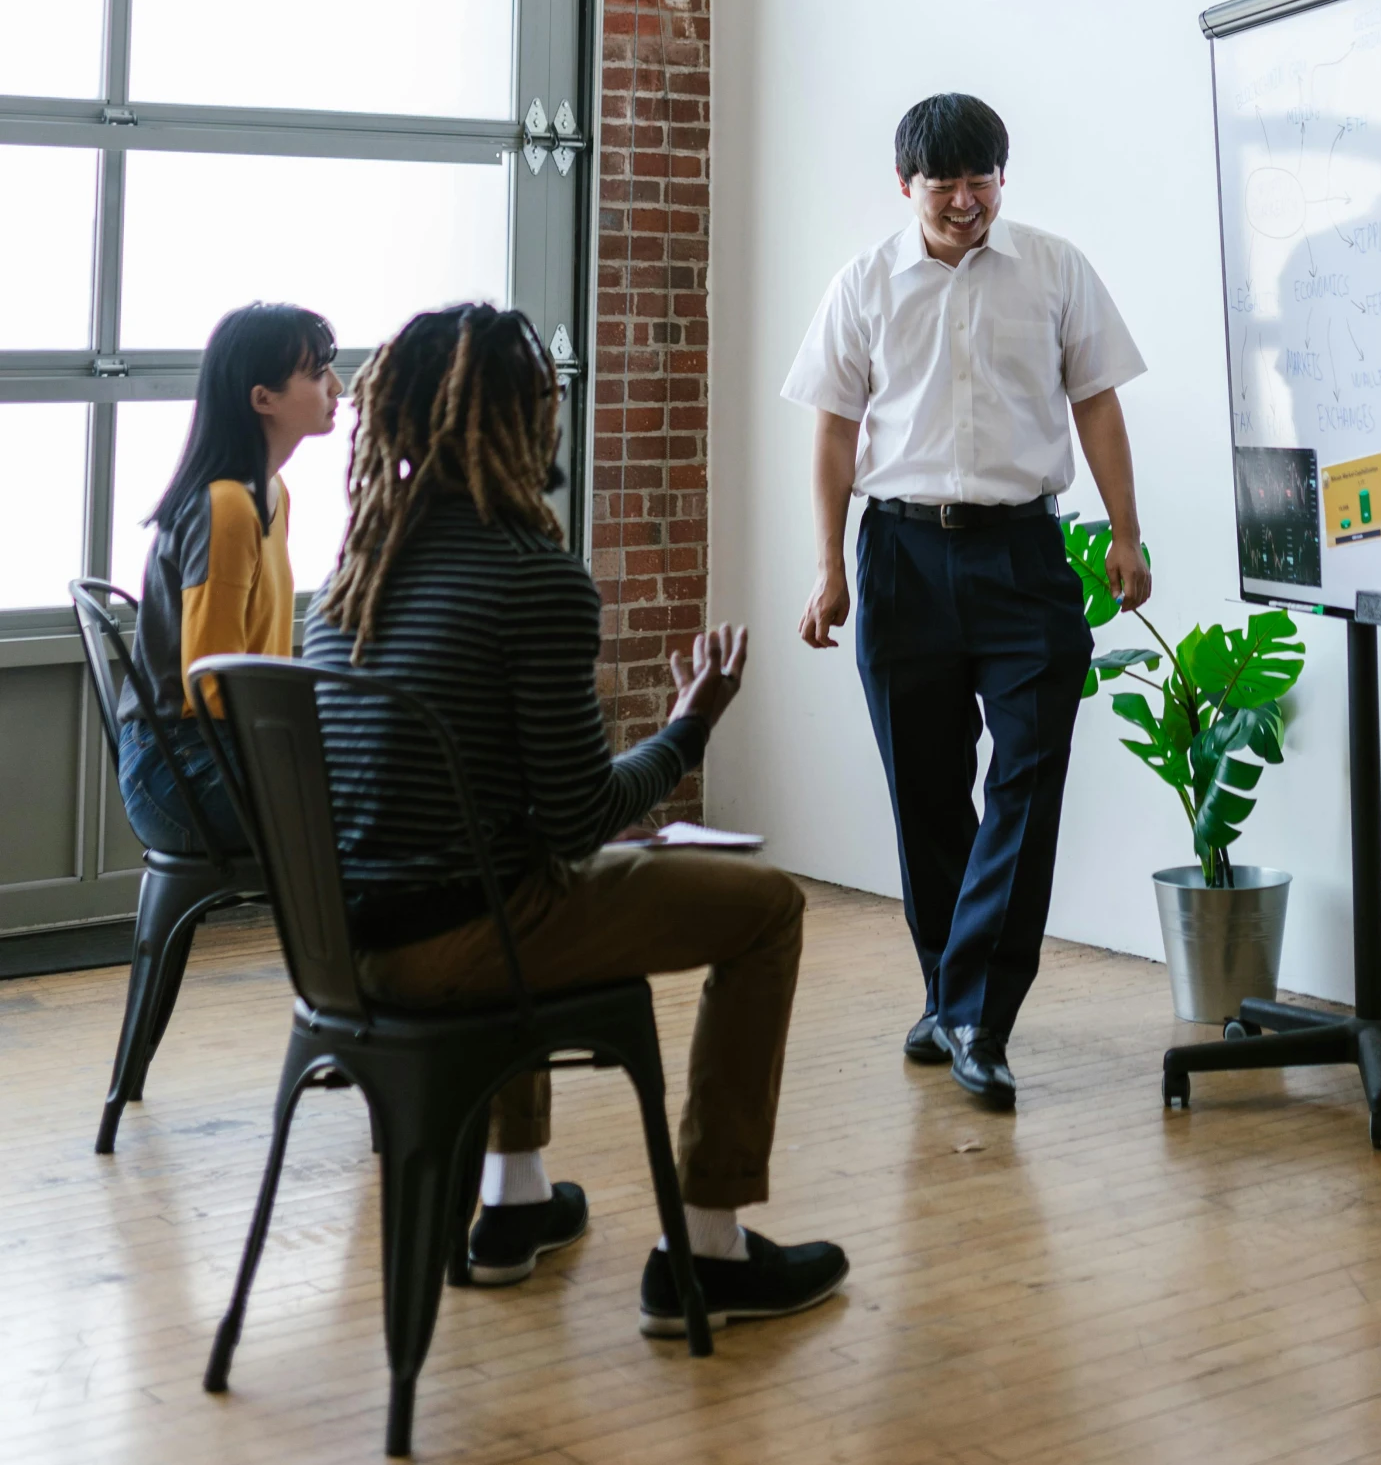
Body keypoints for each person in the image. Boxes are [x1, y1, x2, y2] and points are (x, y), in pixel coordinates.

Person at [304, 302, 848, 1334]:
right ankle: (710, 1244)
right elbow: (576, 819)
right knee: (767, 905)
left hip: (345, 955)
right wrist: (688, 731)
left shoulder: (345, 588)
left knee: (511, 872)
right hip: (465, 944)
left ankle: (516, 1204)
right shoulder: (531, 579)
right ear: (523, 422)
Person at [784, 92, 1150, 1111]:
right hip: (899, 553)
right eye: (941, 181)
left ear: (1002, 176)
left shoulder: (1054, 269)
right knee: (927, 793)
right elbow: (831, 432)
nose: (962, 198)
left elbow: (1097, 402)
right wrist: (829, 566)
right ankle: (946, 992)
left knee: (1029, 775)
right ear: (906, 185)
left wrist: (1124, 529)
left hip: (1023, 555)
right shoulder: (863, 283)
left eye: (979, 176)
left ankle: (978, 1016)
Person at [120, 302, 342, 857]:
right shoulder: (227, 505)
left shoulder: (271, 493)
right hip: (179, 767)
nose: (337, 387)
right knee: (380, 801)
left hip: (218, 748)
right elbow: (210, 683)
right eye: (316, 374)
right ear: (262, 399)